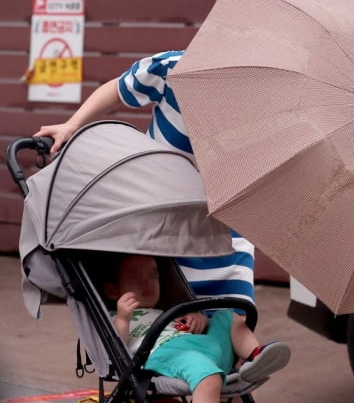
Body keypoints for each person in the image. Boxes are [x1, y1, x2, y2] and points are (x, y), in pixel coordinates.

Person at [35, 50, 257, 317]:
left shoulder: (264, 104)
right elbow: (118, 89)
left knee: (234, 313)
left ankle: (245, 356)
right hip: (161, 213)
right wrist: (73, 125)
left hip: (226, 222)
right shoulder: (175, 69)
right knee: (169, 311)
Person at [103, 254, 290, 403]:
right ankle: (212, 376)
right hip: (166, 353)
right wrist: (123, 319)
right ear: (112, 290)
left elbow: (183, 327)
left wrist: (198, 320)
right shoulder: (117, 317)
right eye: (137, 276)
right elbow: (115, 348)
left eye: (153, 275)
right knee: (208, 377)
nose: (148, 283)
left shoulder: (164, 311)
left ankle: (255, 356)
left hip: (198, 346)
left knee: (226, 316)